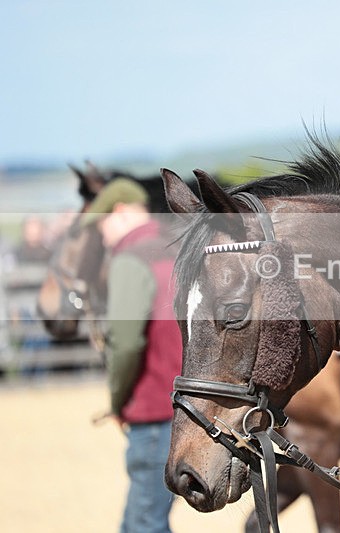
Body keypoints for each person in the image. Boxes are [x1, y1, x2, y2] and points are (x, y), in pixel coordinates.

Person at [81, 179, 182, 533]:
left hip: (153, 412)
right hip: (187, 408)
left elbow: (125, 343)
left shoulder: (130, 258)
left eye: (101, 226)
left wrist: (117, 400)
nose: (103, 238)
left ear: (120, 212)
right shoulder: (176, 248)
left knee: (143, 525)